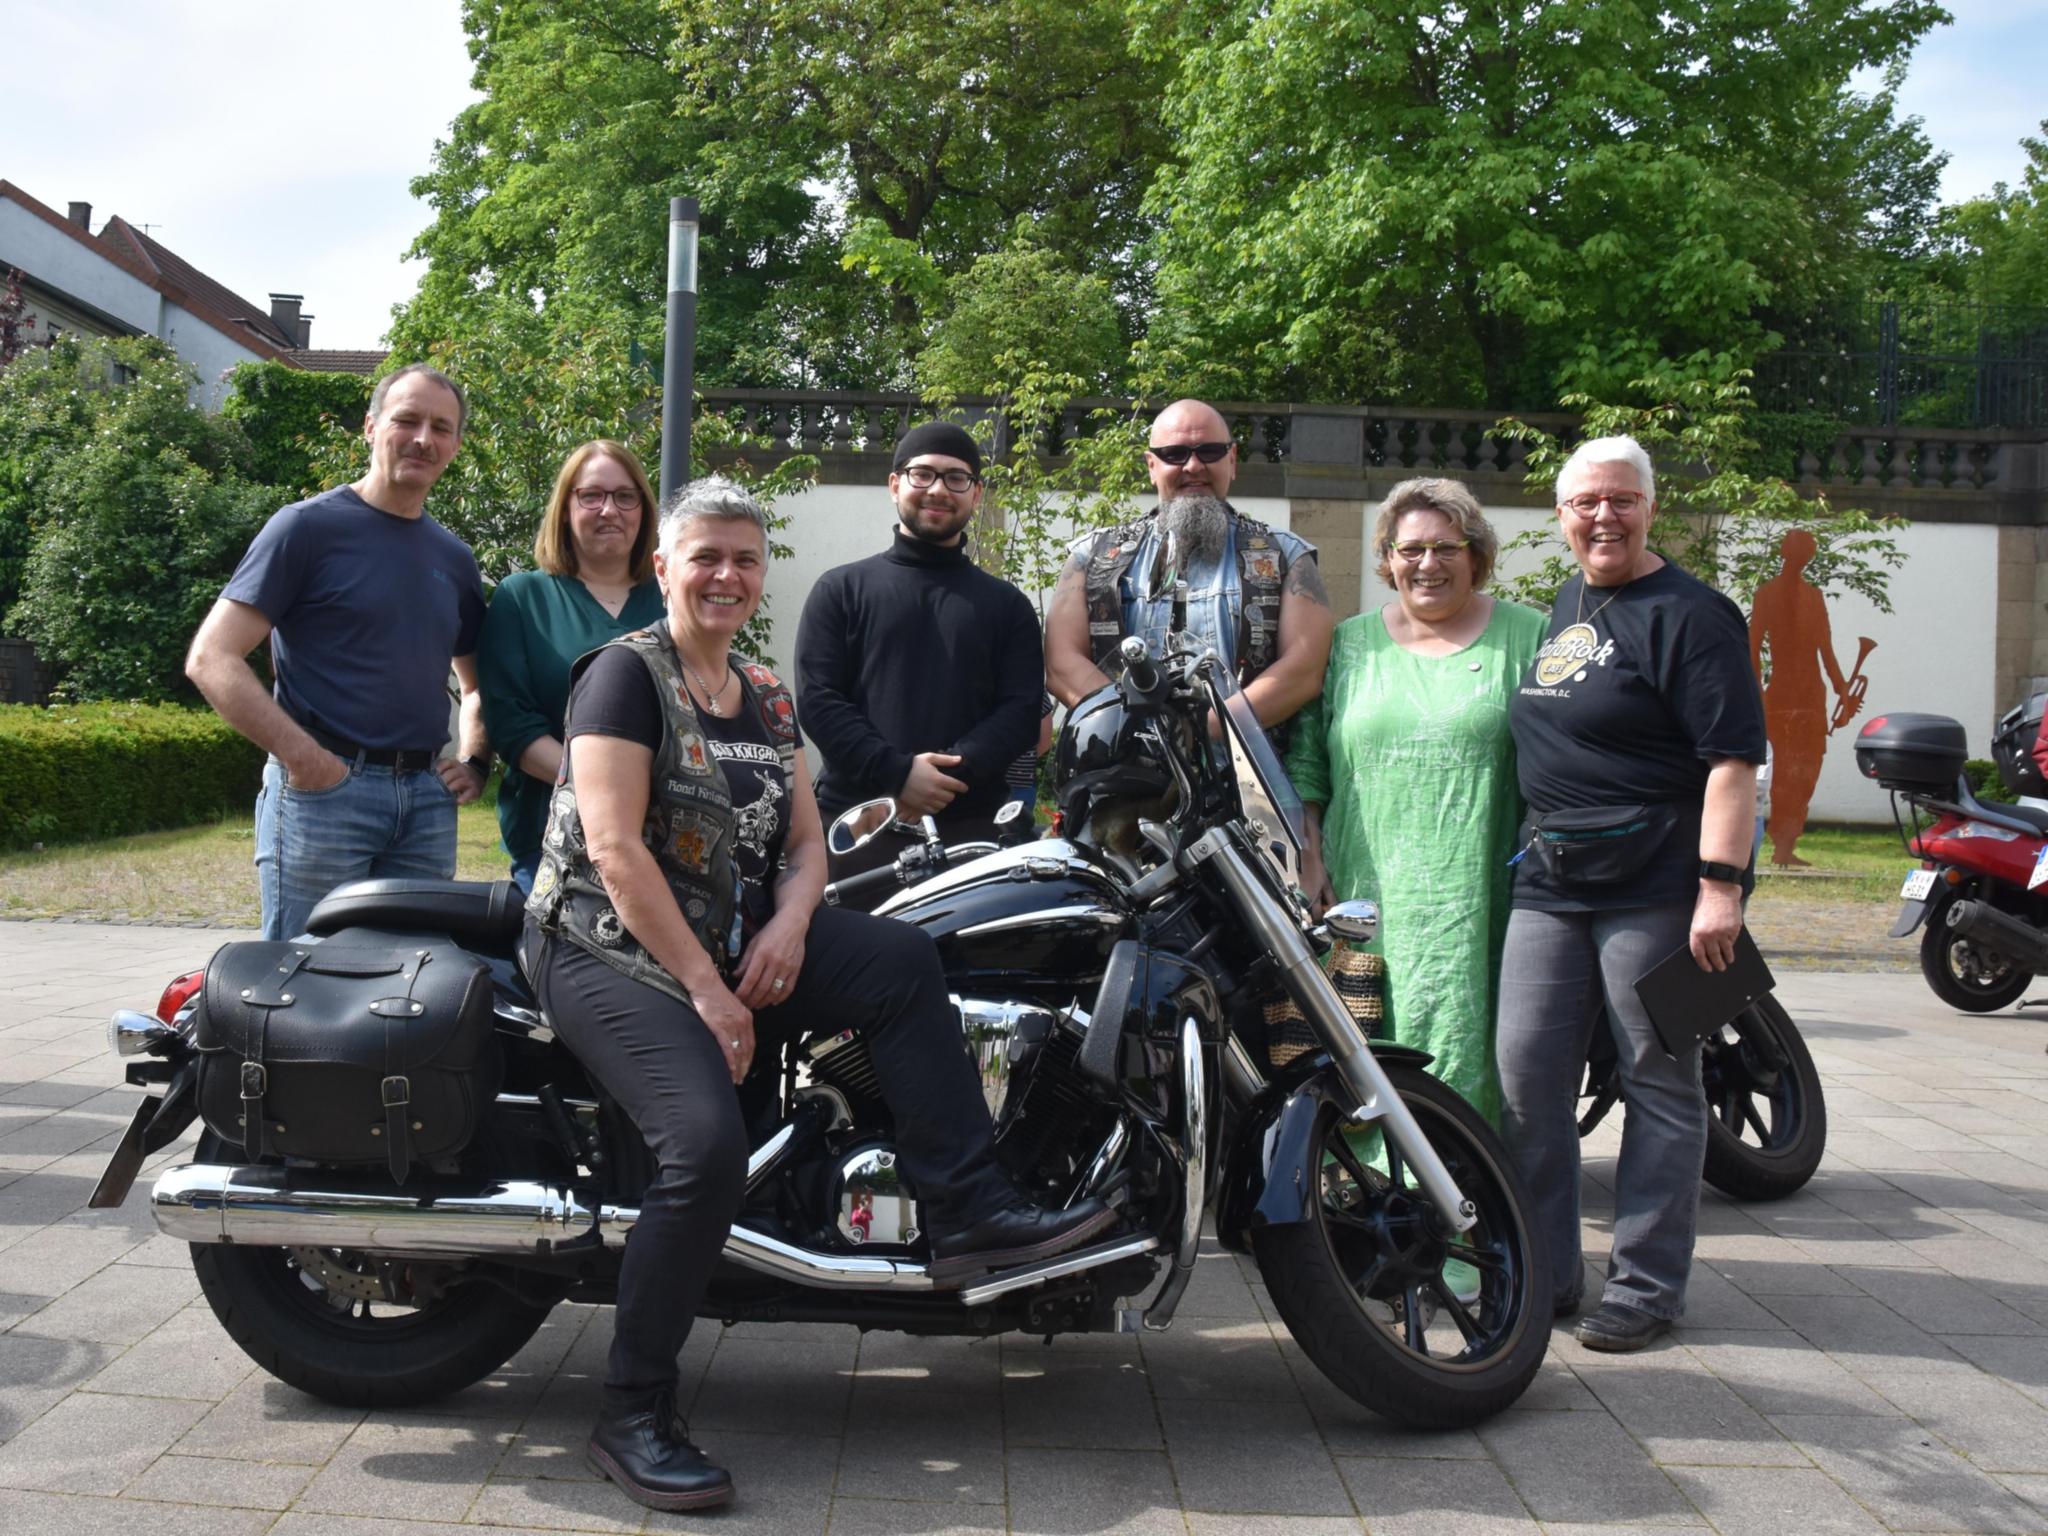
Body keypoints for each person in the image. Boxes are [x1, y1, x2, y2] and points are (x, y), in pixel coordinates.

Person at [522, 476, 1114, 1511]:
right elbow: (613, 852)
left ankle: (968, 1207)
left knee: (896, 961)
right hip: (605, 949)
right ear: (664, 565)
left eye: (744, 560)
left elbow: (804, 843)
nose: (725, 575)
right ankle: (631, 1412)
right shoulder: (622, 676)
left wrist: (793, 926)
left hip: (732, 939)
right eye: (704, 555)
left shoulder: (763, 692)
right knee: (698, 1148)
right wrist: (712, 992)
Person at [1496, 435, 1766, 1353]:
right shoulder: (1572, 601)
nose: (1602, 517)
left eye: (1620, 500)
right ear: (1561, 513)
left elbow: (1732, 763)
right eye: (1585, 503)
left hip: (1659, 885)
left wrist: (1721, 890)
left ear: (1651, 507)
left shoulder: (1696, 615)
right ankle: (1546, 1275)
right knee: (1527, 1080)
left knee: (1659, 1080)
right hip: (1550, 881)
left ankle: (1647, 1287)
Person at [185, 364, 490, 941]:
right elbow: (212, 658)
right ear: (371, 427)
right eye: (407, 420)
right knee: (303, 986)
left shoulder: (454, 557)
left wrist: (474, 760)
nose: (423, 438)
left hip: (425, 802)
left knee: (409, 988)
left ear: (455, 445)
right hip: (323, 795)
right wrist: (306, 761)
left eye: (441, 427)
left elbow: (474, 684)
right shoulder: (304, 529)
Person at [1288, 479, 1546, 1128]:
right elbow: (1309, 763)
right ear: (1388, 559)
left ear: (1476, 555)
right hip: (1362, 896)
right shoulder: (1349, 644)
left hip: (1479, 899)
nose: (1426, 564)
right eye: (1410, 550)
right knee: (1364, 1041)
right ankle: (1366, 1199)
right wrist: (1309, 857)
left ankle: (1467, 1198)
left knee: (1465, 1045)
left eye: (1445, 547)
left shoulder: (1529, 637)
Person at [795, 421, 1043, 878]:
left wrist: (945, 776)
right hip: (856, 830)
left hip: (972, 836)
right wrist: (898, 772)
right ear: (894, 484)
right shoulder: (841, 590)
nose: (938, 490)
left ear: (977, 493)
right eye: (922, 474)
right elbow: (818, 701)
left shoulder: (1009, 607)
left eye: (956, 478)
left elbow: (1022, 711)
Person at [1045, 399, 1333, 743]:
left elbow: (1303, 671)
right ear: (1152, 465)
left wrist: (1201, 730)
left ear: (1232, 460)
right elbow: (1062, 663)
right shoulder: (1092, 556)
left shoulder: (1286, 555)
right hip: (1125, 779)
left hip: (1250, 780)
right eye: (1174, 453)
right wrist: (1138, 733)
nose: (1193, 466)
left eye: (1209, 451)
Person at [477, 441, 665, 895]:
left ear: (643, 509)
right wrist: (617, 791)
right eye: (591, 496)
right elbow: (511, 727)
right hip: (553, 840)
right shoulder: (522, 598)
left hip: (667, 840)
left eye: (625, 496)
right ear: (565, 508)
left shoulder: (672, 599)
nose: (610, 510)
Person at [1749, 528, 1866, 866]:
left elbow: (1825, 650)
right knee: (1785, 770)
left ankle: (1786, 845)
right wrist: (1756, 690)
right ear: (1787, 553)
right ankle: (1780, 845)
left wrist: (1844, 692)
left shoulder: (1813, 596)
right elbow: (1753, 648)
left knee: (1807, 770)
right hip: (1782, 692)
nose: (1802, 557)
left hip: (1813, 693)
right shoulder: (1766, 594)